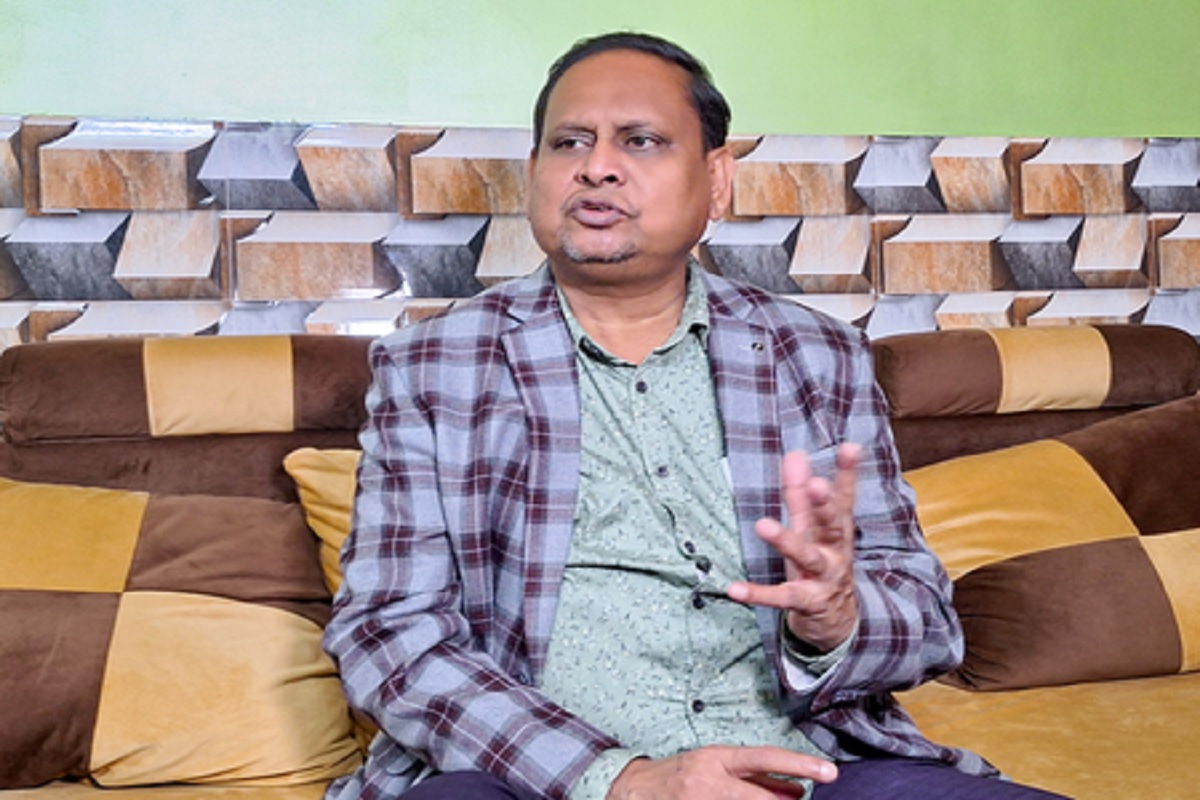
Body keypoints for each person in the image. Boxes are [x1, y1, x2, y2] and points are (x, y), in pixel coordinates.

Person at [324, 31, 1067, 800]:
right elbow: (389, 634)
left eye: (640, 140)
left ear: (716, 182)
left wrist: (836, 618)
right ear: (535, 170)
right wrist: (619, 779)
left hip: (807, 766)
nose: (596, 166)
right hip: (535, 780)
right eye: (569, 142)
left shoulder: (818, 355)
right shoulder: (433, 366)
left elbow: (928, 622)